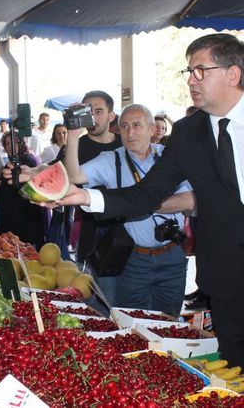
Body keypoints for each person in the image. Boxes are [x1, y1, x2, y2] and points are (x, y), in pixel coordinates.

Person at [42, 34, 244, 407]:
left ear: (233, 74)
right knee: (237, 383)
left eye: (201, 70)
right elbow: (147, 194)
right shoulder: (188, 133)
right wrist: (87, 197)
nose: (191, 79)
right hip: (227, 277)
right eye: (189, 71)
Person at [64, 104, 194, 315]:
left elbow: (189, 200)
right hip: (135, 260)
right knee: (134, 323)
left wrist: (134, 202)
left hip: (173, 257)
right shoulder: (111, 160)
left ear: (152, 129)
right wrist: (72, 137)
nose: (130, 132)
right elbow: (74, 177)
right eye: (124, 126)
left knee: (170, 322)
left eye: (136, 125)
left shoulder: (169, 159)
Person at [73, 91, 123, 264]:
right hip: (90, 235)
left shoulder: (126, 144)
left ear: (111, 116)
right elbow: (56, 169)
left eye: (99, 111)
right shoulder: (75, 146)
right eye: (88, 112)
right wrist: (33, 171)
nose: (92, 117)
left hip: (128, 234)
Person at [0, 131, 45, 247]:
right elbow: (7, 184)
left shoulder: (26, 160)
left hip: (25, 220)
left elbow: (17, 185)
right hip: (13, 219)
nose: (10, 146)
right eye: (7, 144)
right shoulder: (12, 161)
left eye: (14, 143)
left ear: (21, 143)